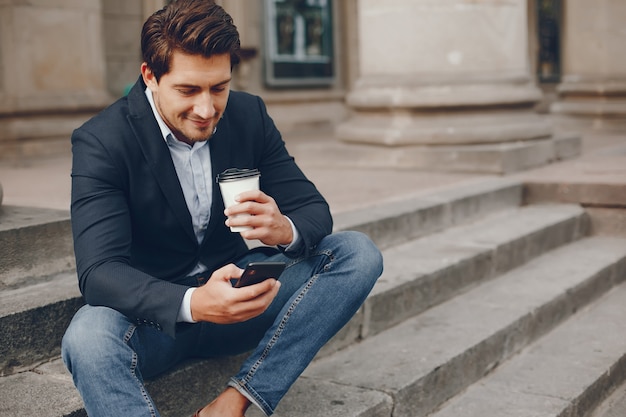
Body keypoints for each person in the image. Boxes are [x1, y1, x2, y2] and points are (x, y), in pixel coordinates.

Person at [61, 1, 383, 416]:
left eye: (219, 88)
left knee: (357, 253)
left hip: (245, 303)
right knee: (87, 337)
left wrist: (284, 228)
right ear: (149, 76)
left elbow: (312, 209)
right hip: (160, 322)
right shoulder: (102, 141)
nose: (207, 109)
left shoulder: (249, 114)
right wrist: (194, 302)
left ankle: (238, 400)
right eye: (188, 90)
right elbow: (99, 272)